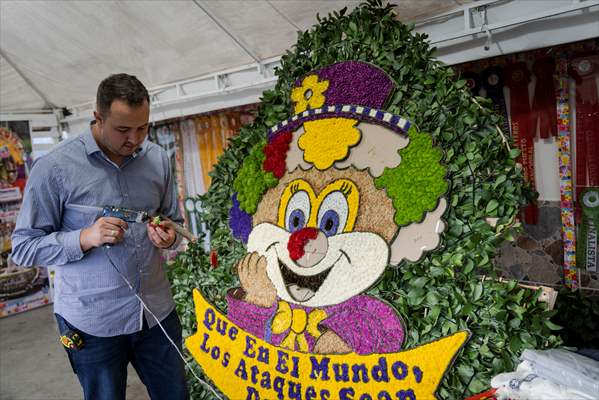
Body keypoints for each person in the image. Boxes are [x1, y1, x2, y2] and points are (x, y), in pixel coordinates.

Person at [11, 74, 189, 400]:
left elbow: (174, 224)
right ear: (98, 117)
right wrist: (84, 237)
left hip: (156, 314)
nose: (134, 139)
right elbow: (23, 248)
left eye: (142, 127)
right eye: (123, 129)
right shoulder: (54, 168)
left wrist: (169, 239)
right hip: (92, 323)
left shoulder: (157, 159)